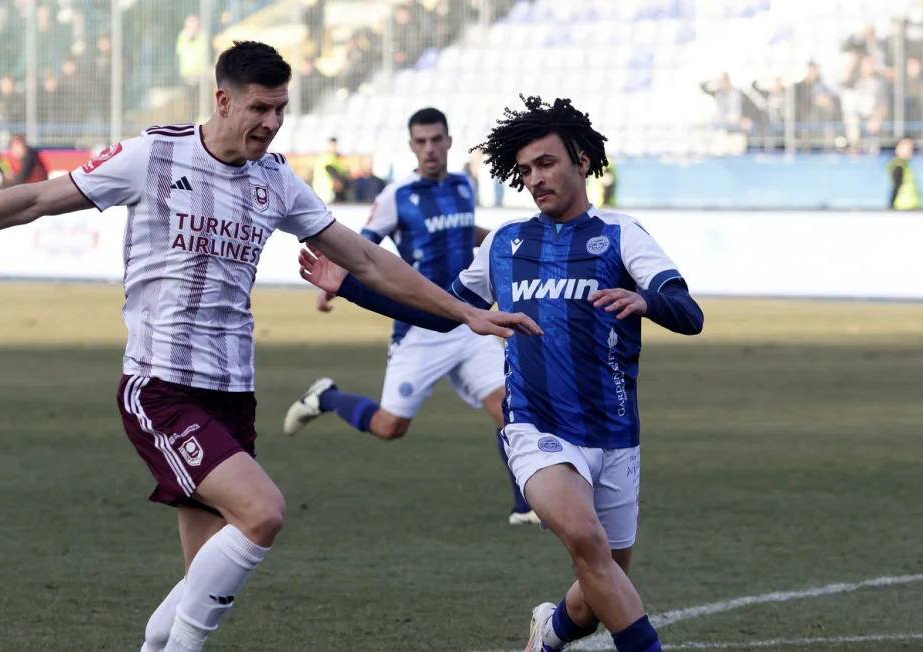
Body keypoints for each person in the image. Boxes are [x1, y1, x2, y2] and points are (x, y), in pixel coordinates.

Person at [0, 41, 539, 652]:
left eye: (280, 110)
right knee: (264, 512)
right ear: (222, 99)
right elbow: (35, 199)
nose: (271, 123)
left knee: (202, 579)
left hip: (231, 391)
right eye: (259, 108)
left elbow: (362, 259)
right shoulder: (152, 155)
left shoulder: (275, 180)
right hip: (160, 385)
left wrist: (462, 312)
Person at [294, 95, 703, 652]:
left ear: (582, 161)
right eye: (527, 170)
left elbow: (690, 314)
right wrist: (349, 288)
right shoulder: (505, 246)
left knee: (601, 582)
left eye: (547, 163)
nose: (536, 179)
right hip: (538, 428)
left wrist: (647, 301)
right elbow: (441, 315)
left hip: (615, 435)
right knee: (585, 540)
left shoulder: (622, 234)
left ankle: (547, 636)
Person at [283, 107, 538, 525]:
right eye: (421, 142)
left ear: (450, 141)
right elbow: (362, 247)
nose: (430, 149)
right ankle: (325, 397)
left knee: (507, 408)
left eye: (437, 139)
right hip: (419, 326)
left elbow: (461, 232)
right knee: (389, 427)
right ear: (411, 147)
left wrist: (500, 241)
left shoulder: (462, 186)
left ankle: (524, 507)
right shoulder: (396, 197)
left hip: (467, 320)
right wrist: (332, 289)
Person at [888, 137, 921, 210]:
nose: (909, 150)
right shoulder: (898, 165)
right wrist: (891, 207)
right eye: (906, 147)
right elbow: (896, 185)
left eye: (911, 147)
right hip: (903, 207)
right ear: (897, 148)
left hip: (912, 205)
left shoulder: (906, 164)